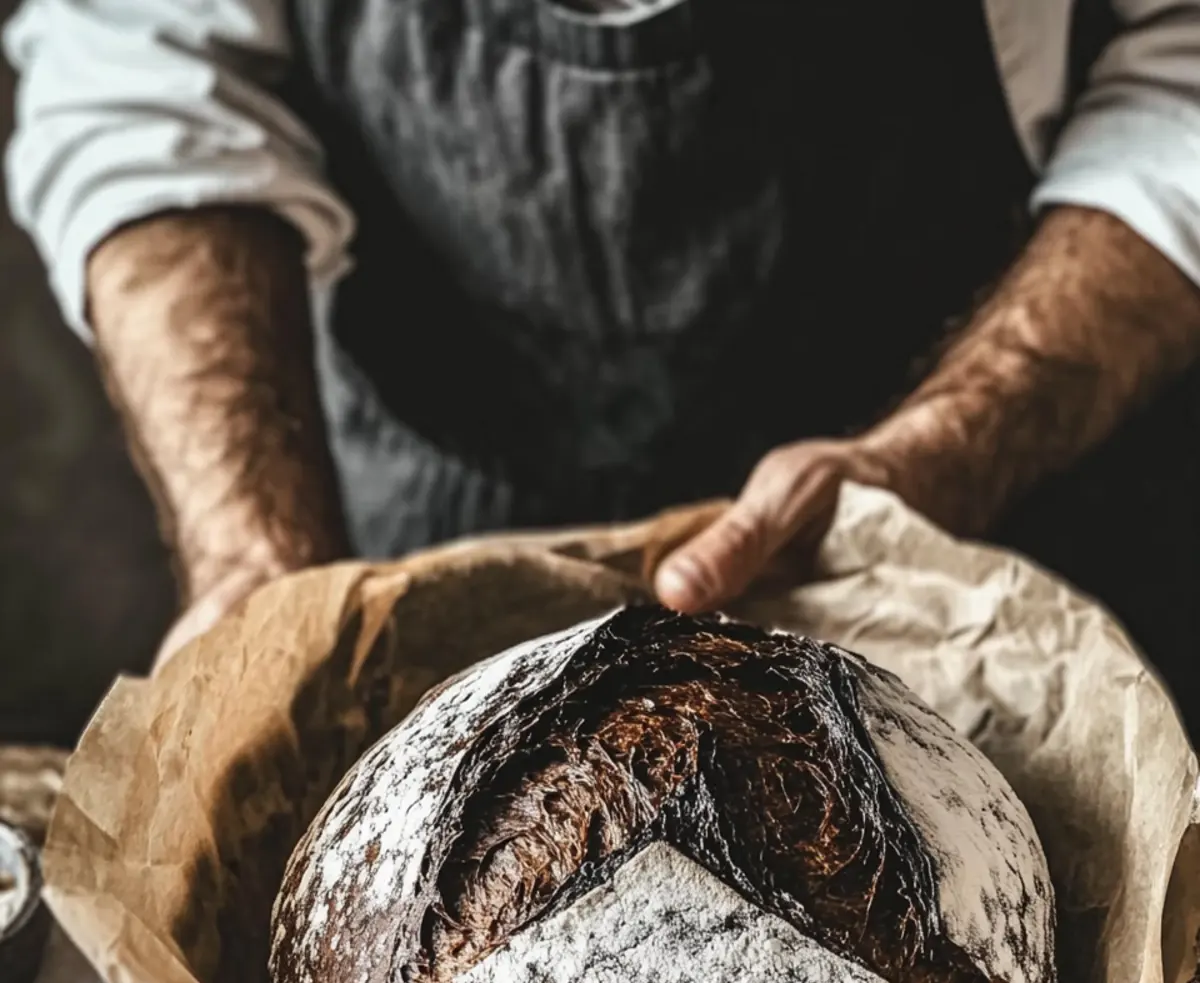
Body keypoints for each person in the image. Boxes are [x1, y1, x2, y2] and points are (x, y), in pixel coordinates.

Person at [5, 0, 1200, 730]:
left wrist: (952, 446)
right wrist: (254, 566)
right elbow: (144, 72)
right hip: (423, 529)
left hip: (980, 536)